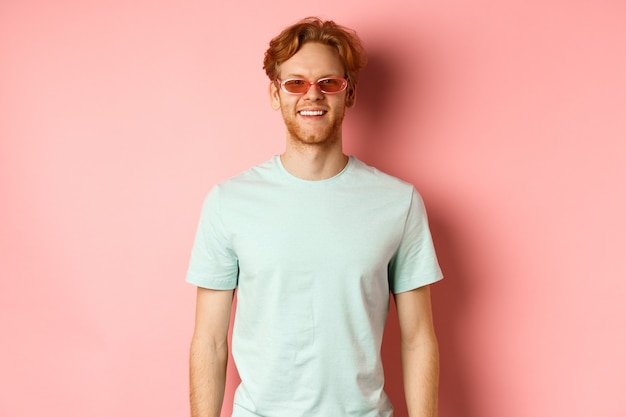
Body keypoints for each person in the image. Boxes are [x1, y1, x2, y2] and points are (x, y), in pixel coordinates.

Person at [187, 17, 443, 417]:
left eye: (329, 83)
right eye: (295, 83)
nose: (312, 95)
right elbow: (209, 340)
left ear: (350, 93)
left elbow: (418, 339)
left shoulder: (399, 202)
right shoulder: (229, 202)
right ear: (276, 94)